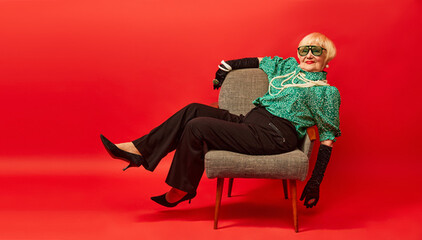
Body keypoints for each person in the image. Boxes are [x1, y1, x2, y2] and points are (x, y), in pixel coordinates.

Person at [100, 32, 340, 208]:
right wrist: (226, 68)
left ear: (326, 57)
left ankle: (181, 188)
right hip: (252, 121)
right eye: (304, 49)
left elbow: (328, 138)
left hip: (275, 135)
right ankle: (138, 150)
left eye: (316, 51)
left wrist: (315, 181)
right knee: (192, 110)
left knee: (197, 127)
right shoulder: (286, 66)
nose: (309, 55)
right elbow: (255, 61)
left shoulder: (326, 93)